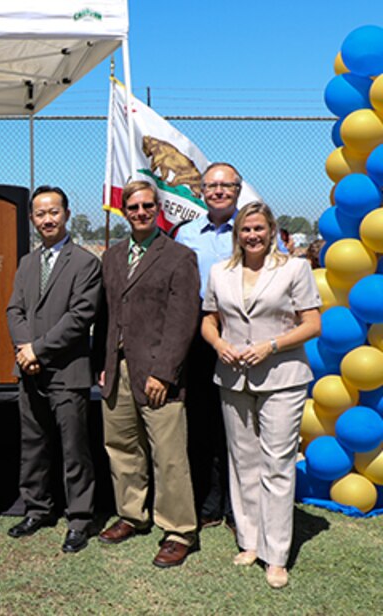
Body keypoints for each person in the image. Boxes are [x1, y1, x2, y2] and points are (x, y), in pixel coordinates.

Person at [200, 201, 321, 589]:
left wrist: (272, 345)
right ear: (237, 234)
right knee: (244, 462)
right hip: (233, 378)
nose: (252, 235)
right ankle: (250, 540)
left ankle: (276, 554)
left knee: (278, 464)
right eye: (245, 230)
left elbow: (312, 324)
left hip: (282, 377)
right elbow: (209, 320)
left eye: (258, 229)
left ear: (271, 231)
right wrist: (219, 345)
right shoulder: (221, 272)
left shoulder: (294, 268)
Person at [95, 180, 200, 568]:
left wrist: (165, 373)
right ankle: (132, 514)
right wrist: (102, 366)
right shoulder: (113, 255)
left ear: (159, 208)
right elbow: (105, 316)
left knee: (168, 456)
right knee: (122, 448)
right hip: (117, 369)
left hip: (157, 373)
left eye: (147, 206)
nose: (140, 212)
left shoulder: (179, 257)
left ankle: (178, 530)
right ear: (124, 211)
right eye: (133, 207)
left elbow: (182, 320)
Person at [5, 186, 101, 553]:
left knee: (74, 449)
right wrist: (25, 349)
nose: (47, 219)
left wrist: (37, 349)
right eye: (40, 213)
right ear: (32, 218)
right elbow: (14, 310)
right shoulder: (28, 263)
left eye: (53, 212)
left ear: (66, 214)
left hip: (67, 372)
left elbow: (80, 318)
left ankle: (79, 518)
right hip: (29, 372)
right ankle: (37, 508)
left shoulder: (86, 262)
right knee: (33, 446)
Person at [175, 162, 244, 530]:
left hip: (242, 338)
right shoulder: (186, 234)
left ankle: (238, 507)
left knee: (238, 426)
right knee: (202, 423)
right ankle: (209, 503)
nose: (218, 191)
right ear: (201, 191)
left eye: (226, 185)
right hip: (199, 338)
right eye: (211, 186)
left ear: (238, 189)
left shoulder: (252, 230)